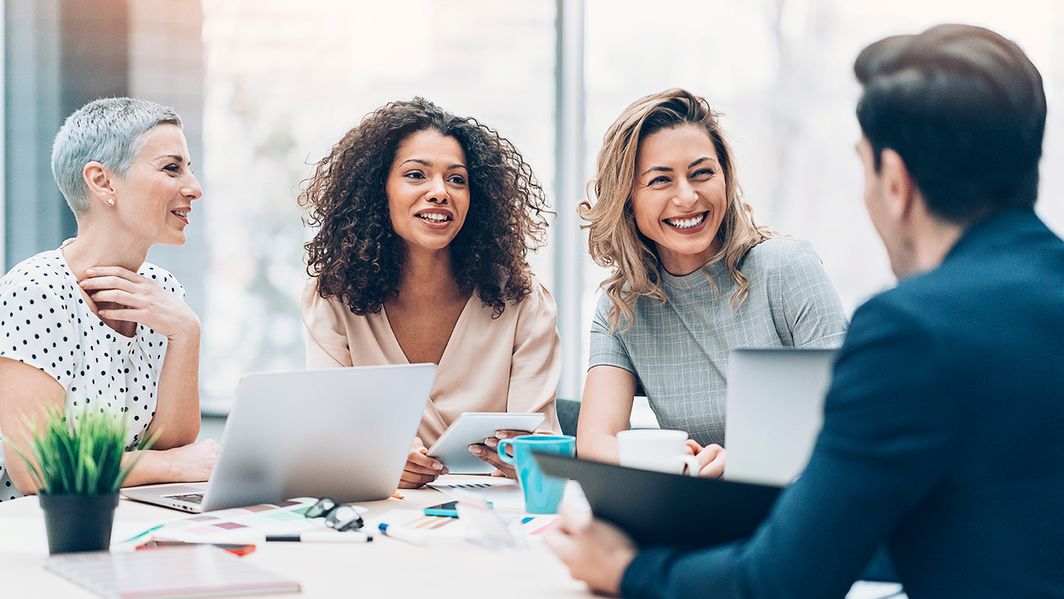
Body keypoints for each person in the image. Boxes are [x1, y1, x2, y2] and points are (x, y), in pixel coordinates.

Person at [547, 24, 1064, 598]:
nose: (686, 197)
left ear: (893, 182)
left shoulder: (909, 331)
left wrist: (622, 570)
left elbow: (783, 580)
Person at [577, 88, 847, 474]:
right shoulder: (622, 307)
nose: (687, 197)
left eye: (702, 173)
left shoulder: (787, 269)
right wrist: (669, 459)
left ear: (725, 178)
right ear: (627, 199)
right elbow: (594, 444)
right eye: (660, 180)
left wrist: (744, 463)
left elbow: (854, 420)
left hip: (798, 506)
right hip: (699, 510)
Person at [299, 98, 561, 488]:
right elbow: (328, 438)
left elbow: (542, 452)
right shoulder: (333, 298)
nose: (440, 191)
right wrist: (375, 459)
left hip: (494, 521)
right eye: (416, 175)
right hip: (380, 519)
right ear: (379, 189)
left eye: (457, 179)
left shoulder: (522, 300)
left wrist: (525, 459)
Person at [0, 98, 218, 501]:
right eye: (172, 168)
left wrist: (186, 332)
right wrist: (168, 466)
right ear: (102, 182)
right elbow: (38, 469)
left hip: (129, 524)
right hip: (43, 538)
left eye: (189, 168)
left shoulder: (163, 291)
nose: (194, 187)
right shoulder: (36, 289)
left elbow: (172, 447)